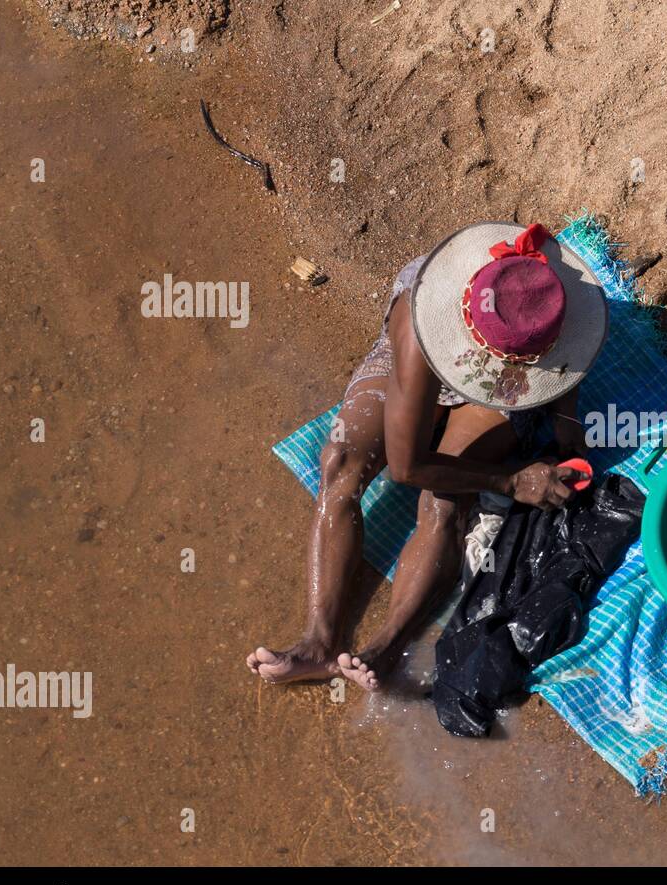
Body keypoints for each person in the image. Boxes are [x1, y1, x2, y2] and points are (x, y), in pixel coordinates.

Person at [246, 222, 609, 690]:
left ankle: (389, 644)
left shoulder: (552, 300)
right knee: (340, 462)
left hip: (504, 375)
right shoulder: (421, 326)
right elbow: (406, 466)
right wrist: (511, 481)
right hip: (430, 353)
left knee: (443, 499)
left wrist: (566, 422)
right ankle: (318, 640)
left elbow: (566, 362)